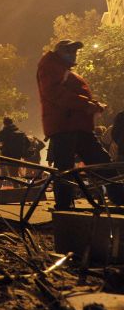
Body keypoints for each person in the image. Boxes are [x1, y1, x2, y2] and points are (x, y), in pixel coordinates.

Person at [37, 39, 123, 209]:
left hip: (78, 125)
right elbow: (55, 93)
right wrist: (87, 104)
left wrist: (93, 105)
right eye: (69, 50)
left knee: (101, 162)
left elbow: (70, 94)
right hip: (64, 126)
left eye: (75, 51)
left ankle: (120, 197)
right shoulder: (51, 67)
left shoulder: (63, 70)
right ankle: (63, 209)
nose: (74, 54)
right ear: (59, 52)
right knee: (66, 169)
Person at [0, 117, 30, 187]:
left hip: (5, 155)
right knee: (12, 172)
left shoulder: (5, 131)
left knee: (8, 173)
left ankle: (17, 189)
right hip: (16, 156)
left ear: (4, 123)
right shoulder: (20, 132)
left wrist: (2, 130)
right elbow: (28, 143)